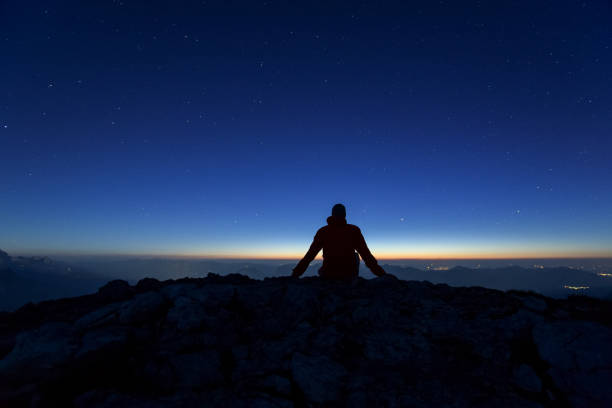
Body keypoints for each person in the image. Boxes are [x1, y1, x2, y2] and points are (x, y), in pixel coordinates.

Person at [292, 203, 387, 280]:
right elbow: (366, 254)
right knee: (356, 255)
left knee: (323, 267)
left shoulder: (323, 231)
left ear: (332, 214)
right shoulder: (353, 230)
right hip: (349, 273)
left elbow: (310, 255)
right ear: (345, 214)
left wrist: (295, 274)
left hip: (329, 273)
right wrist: (381, 274)